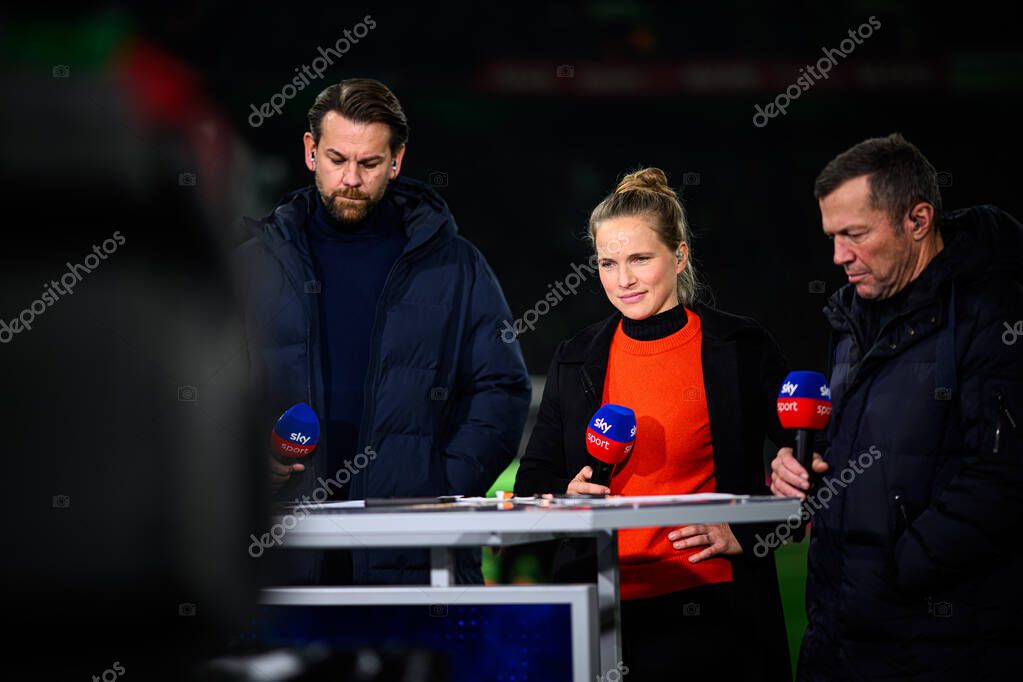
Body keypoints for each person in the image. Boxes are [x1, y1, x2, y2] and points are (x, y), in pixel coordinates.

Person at [235, 78, 531, 585]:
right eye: (336, 159)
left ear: (396, 161)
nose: (350, 178)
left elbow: (500, 388)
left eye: (370, 163)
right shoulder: (250, 267)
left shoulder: (456, 266)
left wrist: (440, 485)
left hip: (415, 557)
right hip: (281, 552)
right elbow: (207, 392)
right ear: (310, 152)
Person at [515, 167, 792, 681]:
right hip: (598, 607)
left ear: (680, 255)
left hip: (713, 611)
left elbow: (811, 460)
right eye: (607, 263)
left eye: (640, 259)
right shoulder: (575, 357)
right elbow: (534, 479)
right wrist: (565, 490)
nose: (623, 280)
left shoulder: (739, 347)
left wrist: (756, 535)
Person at [770, 133, 1023, 680]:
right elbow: (858, 456)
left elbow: (1003, 476)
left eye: (854, 234)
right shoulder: (850, 320)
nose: (838, 256)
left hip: (940, 648)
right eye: (832, 236)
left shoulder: (995, 314)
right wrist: (798, 474)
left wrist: (900, 567)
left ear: (917, 220)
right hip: (838, 640)